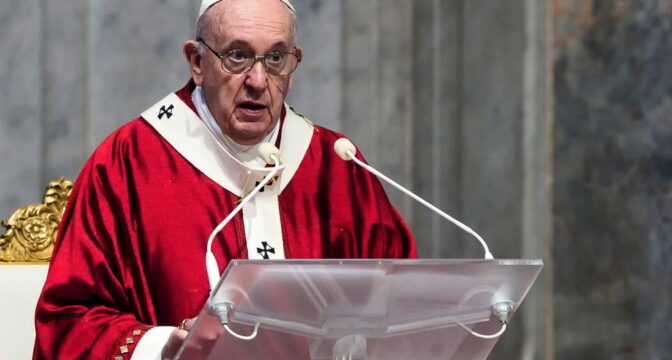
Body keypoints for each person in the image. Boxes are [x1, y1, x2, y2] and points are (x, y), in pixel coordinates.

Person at [32, 0, 417, 359]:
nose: (258, 80)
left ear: (294, 64)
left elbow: (400, 303)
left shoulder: (337, 165)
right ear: (196, 62)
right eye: (237, 55)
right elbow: (67, 320)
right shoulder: (128, 163)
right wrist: (164, 346)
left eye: (276, 58)